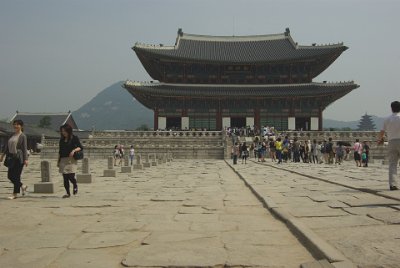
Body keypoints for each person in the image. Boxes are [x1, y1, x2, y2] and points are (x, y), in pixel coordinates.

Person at [0, 120, 29, 199]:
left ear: (21, 126)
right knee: (10, 176)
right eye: (14, 124)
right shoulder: (12, 135)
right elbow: (7, 147)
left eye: (17, 125)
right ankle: (23, 186)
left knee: (16, 176)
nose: (15, 126)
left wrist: (26, 159)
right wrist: (2, 155)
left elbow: (24, 148)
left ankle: (15, 194)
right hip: (11, 157)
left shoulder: (23, 136)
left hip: (19, 158)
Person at [378, 101, 400, 191]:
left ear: (391, 108)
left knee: (392, 164)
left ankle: (393, 184)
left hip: (392, 142)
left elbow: (382, 132)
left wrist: (380, 139)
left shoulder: (387, 119)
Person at [58, 124, 82, 198]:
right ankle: (68, 193)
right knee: (65, 177)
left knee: (71, 176)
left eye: (65, 131)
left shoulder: (74, 138)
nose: (63, 133)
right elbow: (60, 151)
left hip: (71, 160)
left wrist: (74, 151)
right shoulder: (61, 140)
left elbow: (80, 147)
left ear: (69, 131)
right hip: (63, 159)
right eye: (62, 131)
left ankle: (75, 185)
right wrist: (58, 161)